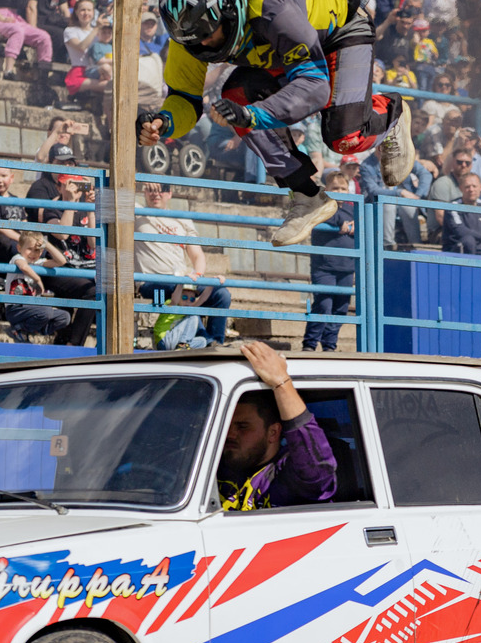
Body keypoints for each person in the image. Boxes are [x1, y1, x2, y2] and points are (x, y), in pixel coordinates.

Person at [142, 0, 415, 247]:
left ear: (229, 7)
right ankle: (307, 197)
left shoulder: (272, 7)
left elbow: (315, 86)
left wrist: (254, 115)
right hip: (282, 46)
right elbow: (184, 98)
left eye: (208, 32)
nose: (203, 44)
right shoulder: (189, 33)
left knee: (343, 137)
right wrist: (163, 122)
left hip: (338, 31)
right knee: (235, 97)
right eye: (192, 39)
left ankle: (392, 113)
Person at [215, 339, 337, 511]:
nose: (230, 434)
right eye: (228, 425)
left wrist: (281, 383)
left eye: (242, 426)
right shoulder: (214, 463)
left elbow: (318, 472)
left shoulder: (285, 475)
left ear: (273, 432)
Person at [135, 179, 232, 344]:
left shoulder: (182, 219)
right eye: (151, 189)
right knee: (184, 290)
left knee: (222, 294)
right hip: (151, 281)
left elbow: (197, 256)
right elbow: (118, 191)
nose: (156, 194)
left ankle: (216, 342)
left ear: (170, 193)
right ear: (144, 191)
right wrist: (141, 182)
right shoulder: (136, 213)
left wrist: (197, 275)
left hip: (182, 279)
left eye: (162, 189)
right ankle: (206, 340)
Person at [303, 166, 357, 351]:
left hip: (347, 267)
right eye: (335, 188)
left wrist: (355, 225)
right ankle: (310, 344)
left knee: (341, 308)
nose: (339, 192)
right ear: (326, 190)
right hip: (324, 267)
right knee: (323, 305)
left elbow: (366, 223)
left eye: (343, 188)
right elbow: (323, 215)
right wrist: (341, 222)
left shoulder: (353, 210)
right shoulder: (321, 207)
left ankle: (329, 345)